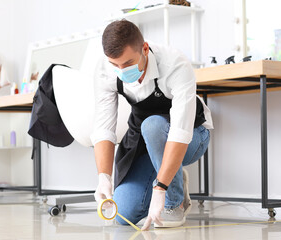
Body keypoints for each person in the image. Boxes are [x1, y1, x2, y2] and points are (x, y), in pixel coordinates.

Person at [90, 19, 213, 231]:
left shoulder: (175, 64)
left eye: (128, 64)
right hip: (147, 144)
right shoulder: (105, 69)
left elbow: (180, 131)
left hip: (192, 135)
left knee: (153, 125)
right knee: (123, 213)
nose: (121, 71)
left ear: (144, 49)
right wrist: (104, 177)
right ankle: (168, 172)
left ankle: (175, 202)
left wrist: (162, 189)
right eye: (115, 65)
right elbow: (104, 127)